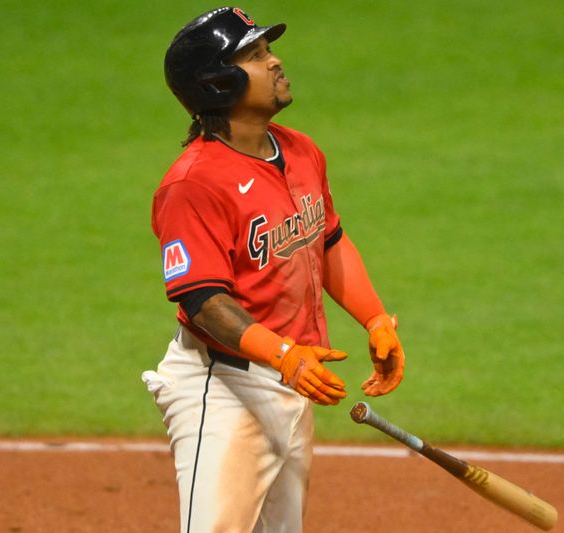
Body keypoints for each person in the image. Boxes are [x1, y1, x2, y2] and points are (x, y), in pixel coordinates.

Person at [140, 6, 405, 532]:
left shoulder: (300, 150)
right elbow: (202, 301)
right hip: (222, 388)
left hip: (291, 381)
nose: (275, 60)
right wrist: (283, 356)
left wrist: (375, 319)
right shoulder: (193, 184)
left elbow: (326, 240)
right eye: (256, 55)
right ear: (218, 83)